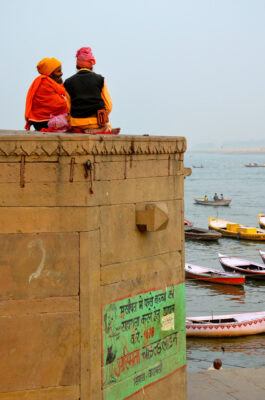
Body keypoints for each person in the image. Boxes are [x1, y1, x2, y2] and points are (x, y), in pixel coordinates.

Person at [64, 47, 119, 134]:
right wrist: (102, 117)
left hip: (77, 122)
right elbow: (108, 105)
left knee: (73, 124)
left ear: (77, 65)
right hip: (95, 122)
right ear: (91, 64)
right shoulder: (99, 79)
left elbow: (68, 108)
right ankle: (103, 128)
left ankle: (84, 128)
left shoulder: (68, 82)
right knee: (107, 124)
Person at [25, 58, 68, 131]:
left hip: (46, 120)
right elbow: (58, 105)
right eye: (58, 71)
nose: (61, 73)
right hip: (44, 122)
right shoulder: (44, 83)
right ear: (50, 74)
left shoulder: (52, 83)